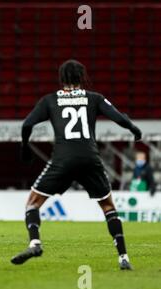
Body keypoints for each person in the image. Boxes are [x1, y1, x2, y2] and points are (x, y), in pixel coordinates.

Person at [11, 59, 142, 270]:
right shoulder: (94, 98)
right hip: (91, 159)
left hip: (62, 160)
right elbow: (120, 118)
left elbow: (27, 124)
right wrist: (134, 130)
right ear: (82, 77)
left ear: (61, 78)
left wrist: (25, 147)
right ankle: (123, 257)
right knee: (108, 207)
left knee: (32, 203)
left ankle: (35, 243)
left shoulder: (50, 100)